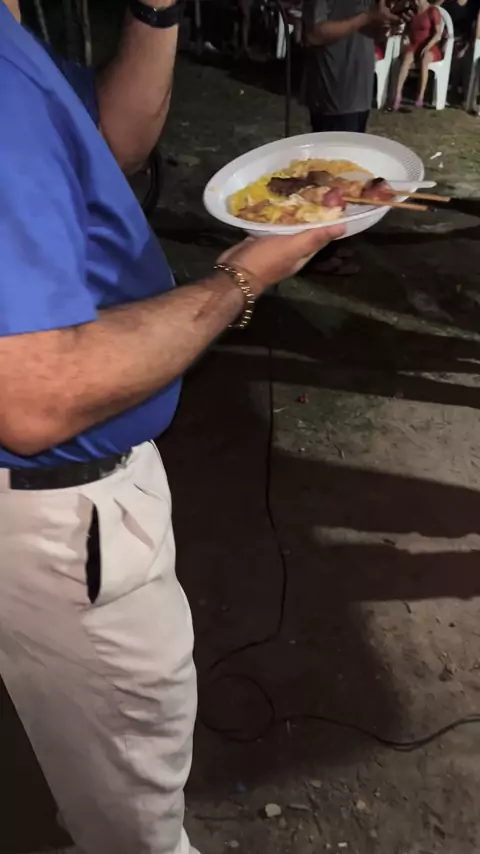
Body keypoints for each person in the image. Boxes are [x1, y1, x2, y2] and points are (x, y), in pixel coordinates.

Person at [0, 2, 344, 854]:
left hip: (59, 508)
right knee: (135, 810)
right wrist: (240, 279)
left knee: (89, 744)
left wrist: (156, 9)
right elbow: (36, 398)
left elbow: (110, 144)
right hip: (56, 516)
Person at [303, 0, 401, 133]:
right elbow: (314, 35)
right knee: (335, 145)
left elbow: (371, 36)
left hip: (362, 94)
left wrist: (386, 24)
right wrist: (367, 18)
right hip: (334, 95)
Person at [393, 0, 444, 109]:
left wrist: (427, 47)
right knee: (406, 60)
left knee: (425, 59)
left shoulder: (432, 11)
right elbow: (407, 29)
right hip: (415, 45)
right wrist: (405, 36)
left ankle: (420, 96)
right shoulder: (412, 11)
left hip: (429, 45)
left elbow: (438, 34)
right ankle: (397, 94)